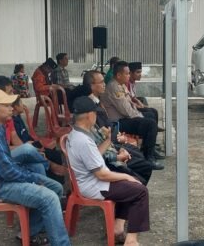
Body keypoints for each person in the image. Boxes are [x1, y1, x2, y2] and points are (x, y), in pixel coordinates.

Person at [0, 89, 70, 246]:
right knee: (50, 197)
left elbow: (7, 165)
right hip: (0, 186)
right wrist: (32, 178)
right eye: (7, 105)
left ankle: (30, 233)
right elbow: (7, 172)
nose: (12, 108)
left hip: (3, 178)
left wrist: (32, 176)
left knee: (57, 188)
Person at [66, 96, 150, 246]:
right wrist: (125, 176)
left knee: (132, 185)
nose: (96, 117)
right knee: (140, 190)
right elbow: (101, 174)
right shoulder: (83, 140)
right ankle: (131, 241)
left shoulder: (76, 134)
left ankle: (117, 229)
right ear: (89, 115)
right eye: (95, 114)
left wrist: (108, 140)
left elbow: (94, 157)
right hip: (93, 185)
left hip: (89, 181)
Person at [84, 70, 154, 183]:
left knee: (138, 154)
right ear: (91, 86)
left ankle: (139, 180)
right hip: (107, 146)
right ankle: (136, 187)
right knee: (143, 166)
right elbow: (101, 131)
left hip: (111, 138)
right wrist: (116, 140)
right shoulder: (89, 107)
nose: (104, 84)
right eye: (101, 82)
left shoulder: (97, 100)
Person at [100, 61, 163, 169]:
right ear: (119, 75)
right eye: (127, 73)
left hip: (125, 117)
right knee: (150, 123)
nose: (129, 76)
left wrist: (140, 112)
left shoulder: (121, 85)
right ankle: (149, 158)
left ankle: (150, 149)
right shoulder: (114, 87)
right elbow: (126, 110)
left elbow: (130, 103)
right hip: (118, 122)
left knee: (151, 114)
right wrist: (140, 115)